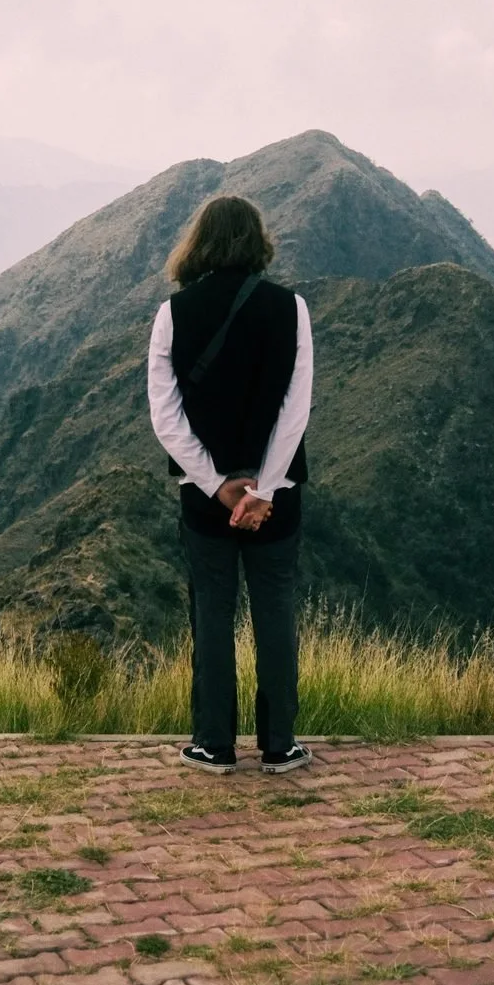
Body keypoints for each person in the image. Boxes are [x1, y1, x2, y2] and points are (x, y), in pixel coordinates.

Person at [147, 195, 314, 775]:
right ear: (257, 240)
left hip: (204, 498)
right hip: (278, 497)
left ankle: (214, 745)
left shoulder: (174, 313)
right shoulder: (291, 308)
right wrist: (264, 489)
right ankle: (279, 745)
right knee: (275, 614)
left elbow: (166, 417)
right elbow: (296, 409)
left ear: (199, 242)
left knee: (213, 617)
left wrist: (217, 484)